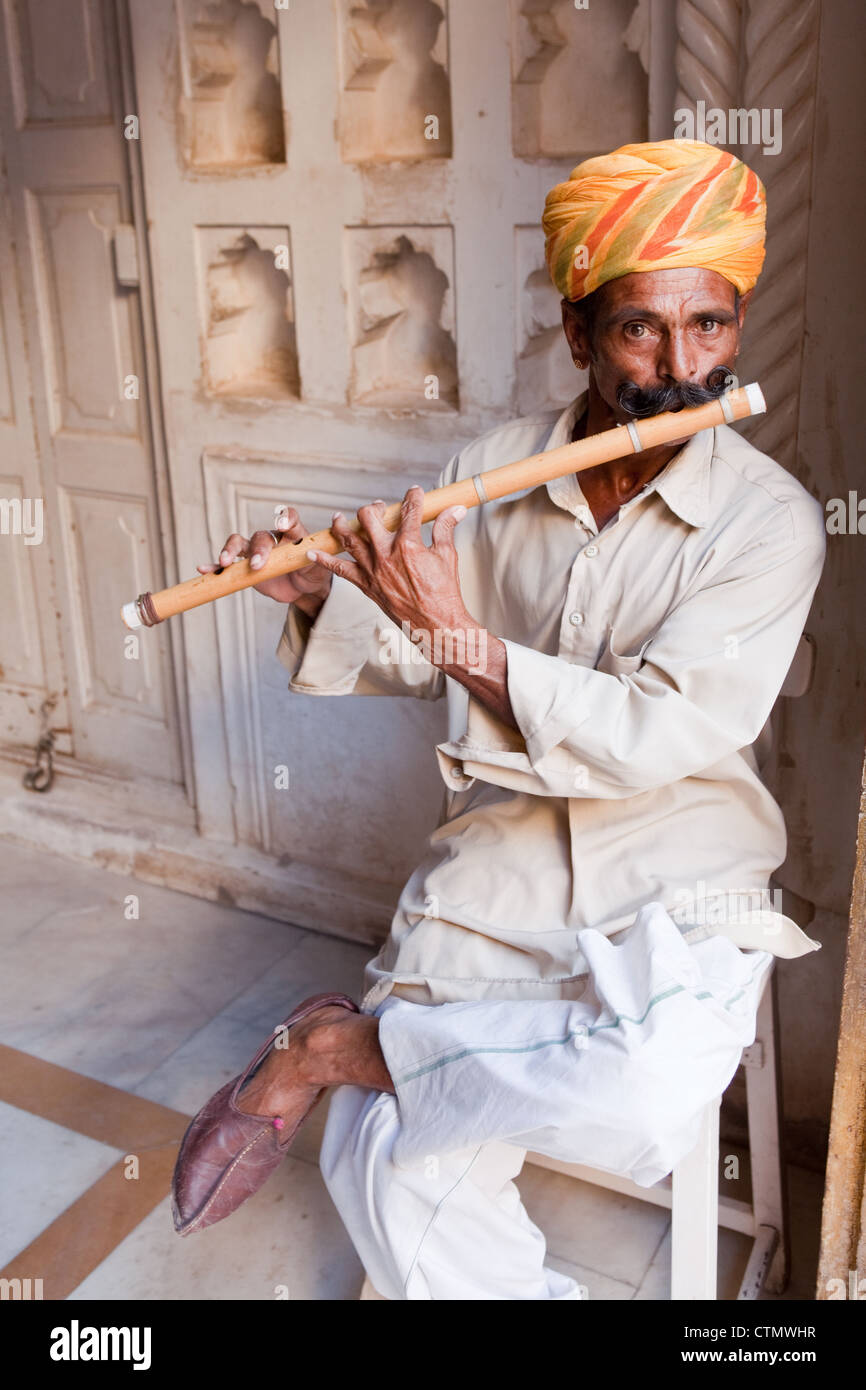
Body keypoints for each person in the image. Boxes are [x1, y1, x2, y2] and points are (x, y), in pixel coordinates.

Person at [173, 140, 826, 1300]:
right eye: (639, 330)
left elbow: (644, 732)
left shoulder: (769, 524)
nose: (681, 370)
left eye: (709, 328)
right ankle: (373, 1067)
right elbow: (422, 657)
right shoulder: (494, 467)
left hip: (679, 864)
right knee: (374, 1156)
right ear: (577, 334)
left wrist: (454, 633)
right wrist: (333, 598)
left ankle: (335, 1044)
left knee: (636, 1096)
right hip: (505, 853)